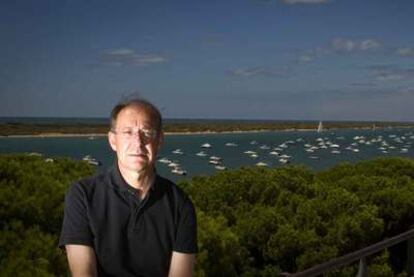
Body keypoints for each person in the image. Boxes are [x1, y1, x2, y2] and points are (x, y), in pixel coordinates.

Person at [59, 98, 197, 277]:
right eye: (127, 132)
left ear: (160, 140)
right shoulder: (83, 195)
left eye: (147, 132)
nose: (138, 142)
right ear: (113, 140)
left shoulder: (180, 204)